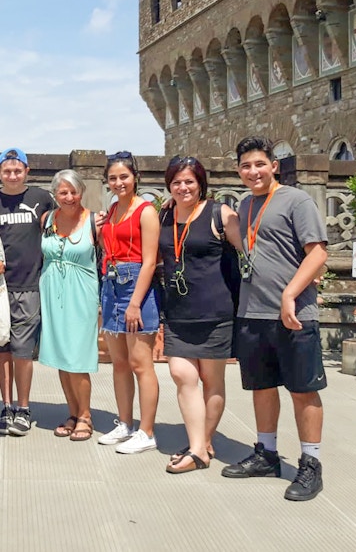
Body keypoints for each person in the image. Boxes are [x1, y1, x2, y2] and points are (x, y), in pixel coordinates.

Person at [221, 136, 328, 502]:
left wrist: (290, 294)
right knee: (262, 387)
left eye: (260, 164)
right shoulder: (245, 205)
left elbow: (317, 254)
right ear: (239, 171)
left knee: (302, 389)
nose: (253, 171)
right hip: (253, 312)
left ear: (274, 166)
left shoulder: (296, 200)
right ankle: (266, 454)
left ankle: (311, 464)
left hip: (293, 313)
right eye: (246, 166)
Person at [159, 156, 242, 474]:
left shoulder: (220, 213)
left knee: (211, 381)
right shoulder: (165, 213)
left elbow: (249, 252)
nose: (183, 187)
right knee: (182, 375)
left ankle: (201, 445)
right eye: (177, 182)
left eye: (189, 181)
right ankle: (199, 447)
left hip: (215, 311)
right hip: (178, 312)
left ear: (201, 183)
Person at [97, 151, 160, 454]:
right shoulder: (111, 210)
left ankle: (147, 431)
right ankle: (125, 423)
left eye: (124, 176)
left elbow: (149, 262)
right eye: (113, 178)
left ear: (135, 177)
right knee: (119, 363)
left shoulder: (145, 210)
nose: (119, 182)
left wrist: (135, 303)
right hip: (111, 283)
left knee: (140, 363)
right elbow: (109, 246)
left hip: (136, 285)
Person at [39, 170, 100, 441]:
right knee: (62, 356)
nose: (69, 197)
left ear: (81, 192)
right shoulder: (46, 219)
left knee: (78, 357)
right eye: (63, 192)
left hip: (81, 293)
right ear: (55, 194)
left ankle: (86, 415)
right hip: (52, 291)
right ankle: (73, 413)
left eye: (74, 191)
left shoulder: (96, 220)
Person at [0, 148, 54, 436]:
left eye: (17, 170)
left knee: (22, 352)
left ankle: (23, 407)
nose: (12, 175)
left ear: (27, 172)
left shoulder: (40, 198)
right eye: (7, 171)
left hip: (28, 286)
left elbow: (63, 224)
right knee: (2, 350)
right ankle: (5, 407)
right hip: (0, 289)